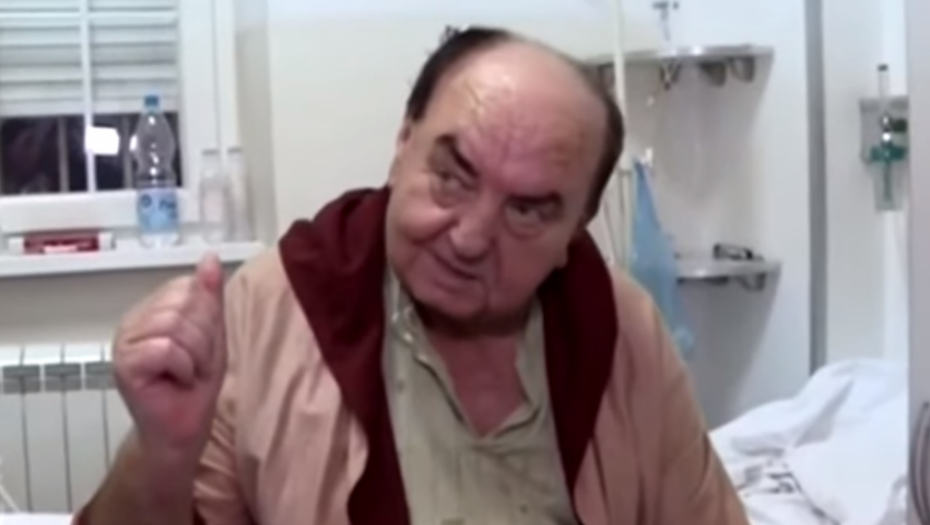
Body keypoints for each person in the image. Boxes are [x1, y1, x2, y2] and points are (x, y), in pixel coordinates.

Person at [77, 26, 748, 525]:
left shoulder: (621, 329)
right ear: (402, 145)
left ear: (575, 232)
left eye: (526, 211)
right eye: (452, 176)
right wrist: (163, 452)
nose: (470, 237)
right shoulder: (276, 307)